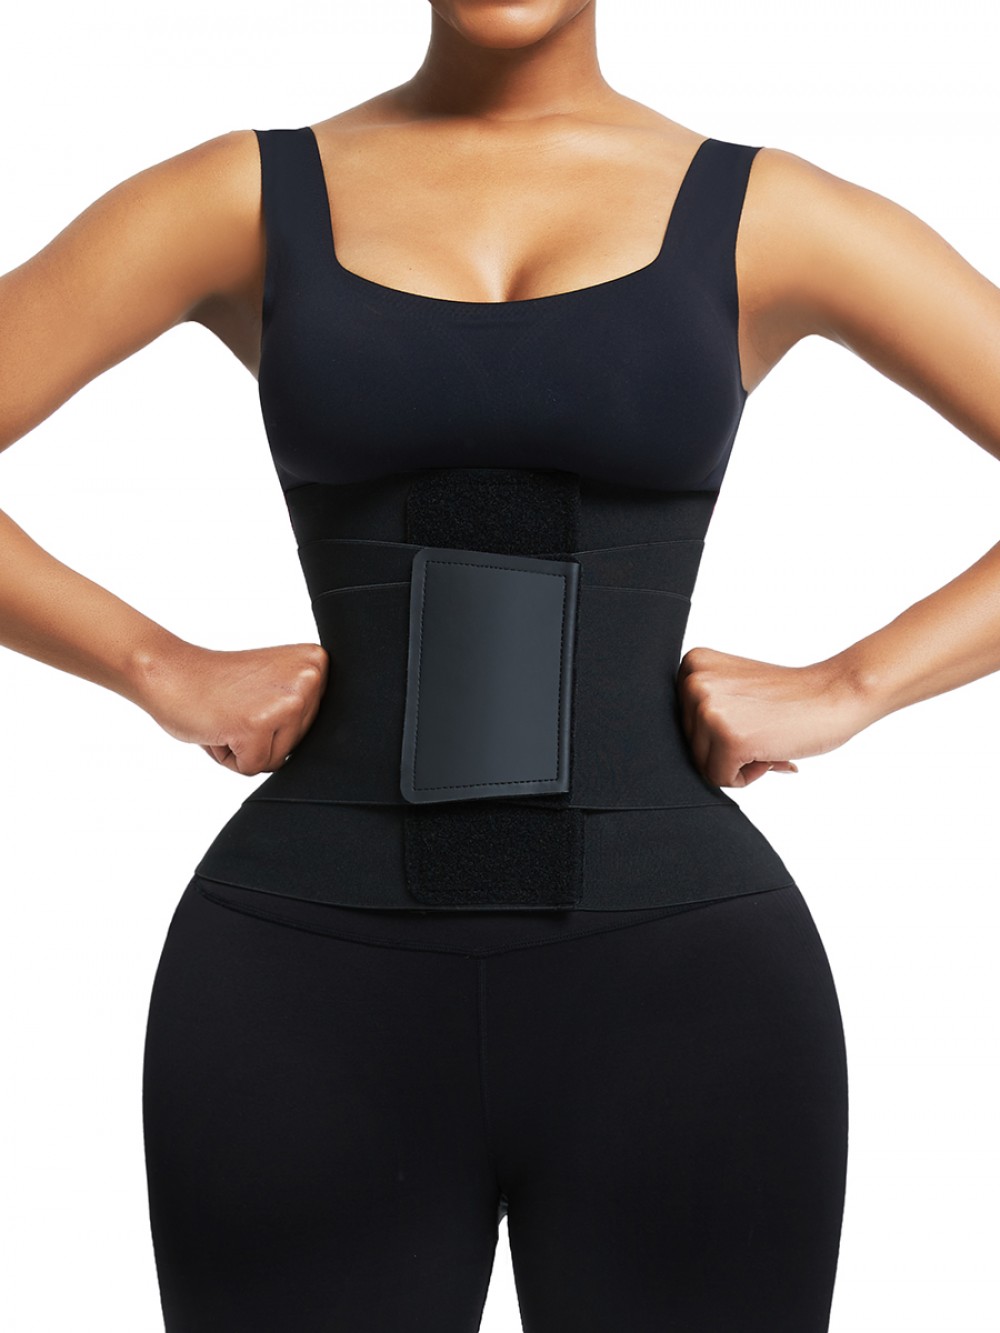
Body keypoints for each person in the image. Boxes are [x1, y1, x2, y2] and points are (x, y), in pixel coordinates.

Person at [2, 2, 1000, 1329]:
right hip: (302, 996)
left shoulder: (770, 214)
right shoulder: (238, 199)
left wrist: (853, 686)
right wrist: (152, 663)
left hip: (686, 997)